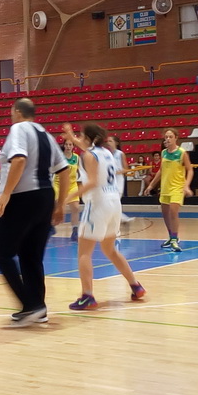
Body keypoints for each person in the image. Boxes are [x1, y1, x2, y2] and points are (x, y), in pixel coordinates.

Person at [0, 98, 69, 327]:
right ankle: (39, 308)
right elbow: (64, 170)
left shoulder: (19, 129)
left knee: (1, 252)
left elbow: (19, 160)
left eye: (11, 111)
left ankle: (30, 305)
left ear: (17, 111)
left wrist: (6, 193)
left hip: (23, 198)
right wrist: (60, 205)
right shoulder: (46, 135)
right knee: (30, 256)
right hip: (45, 198)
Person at [61, 123, 145, 311]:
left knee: (84, 252)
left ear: (89, 138)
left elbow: (92, 182)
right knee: (110, 250)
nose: (79, 139)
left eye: (81, 136)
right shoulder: (106, 152)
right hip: (114, 202)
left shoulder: (88, 156)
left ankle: (87, 296)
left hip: (98, 203)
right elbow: (87, 148)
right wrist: (71, 136)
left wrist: (69, 196)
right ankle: (136, 286)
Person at [145, 129, 194, 253]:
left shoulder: (182, 153)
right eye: (166, 137)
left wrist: (186, 186)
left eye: (170, 136)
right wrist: (151, 185)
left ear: (176, 138)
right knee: (165, 214)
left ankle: (174, 240)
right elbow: (161, 171)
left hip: (177, 187)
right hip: (165, 187)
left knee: (173, 212)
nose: (168, 139)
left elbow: (190, 170)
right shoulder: (163, 153)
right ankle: (171, 237)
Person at [55, 138, 82, 242]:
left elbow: (80, 171)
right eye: (66, 144)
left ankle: (75, 231)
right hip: (59, 184)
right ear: (64, 145)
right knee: (56, 206)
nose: (68, 146)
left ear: (73, 146)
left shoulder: (77, 157)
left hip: (72, 185)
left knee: (75, 207)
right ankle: (50, 227)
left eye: (70, 144)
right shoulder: (59, 157)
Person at [105, 135, 132, 223]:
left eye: (110, 141)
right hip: (110, 181)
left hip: (119, 180)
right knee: (111, 201)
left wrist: (117, 172)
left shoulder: (120, 154)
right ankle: (121, 218)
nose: (108, 143)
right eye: (107, 141)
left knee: (115, 200)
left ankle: (121, 218)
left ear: (116, 143)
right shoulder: (107, 155)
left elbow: (126, 169)